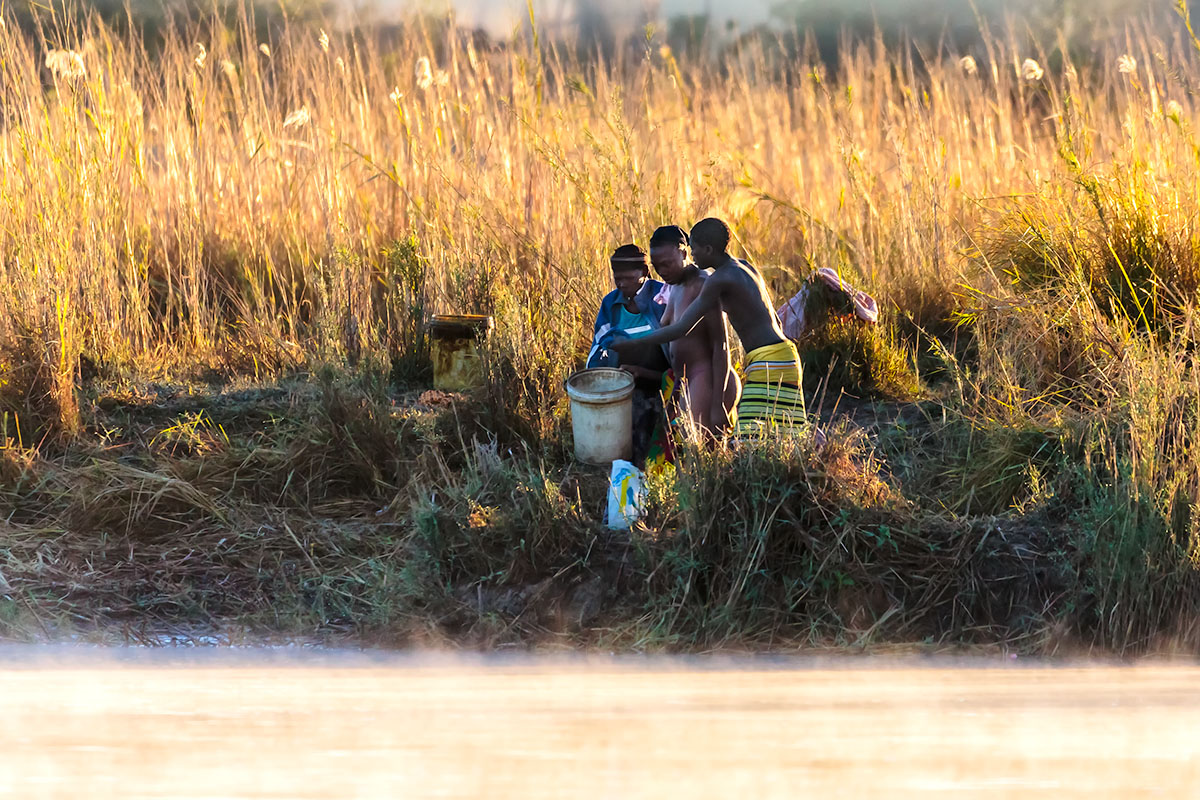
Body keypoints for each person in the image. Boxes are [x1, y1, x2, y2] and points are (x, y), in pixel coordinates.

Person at [613, 218, 806, 437]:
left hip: (767, 362)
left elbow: (683, 328)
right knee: (785, 435)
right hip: (783, 356)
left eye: (693, 250)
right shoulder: (745, 267)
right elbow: (776, 321)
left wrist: (631, 343)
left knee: (752, 439)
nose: (693, 256)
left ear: (707, 249)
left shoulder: (717, 280)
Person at [648, 224, 740, 436]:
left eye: (667, 264)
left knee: (704, 452)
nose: (662, 272)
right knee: (699, 451)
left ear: (683, 252)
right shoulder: (674, 287)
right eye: (656, 266)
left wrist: (717, 402)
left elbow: (721, 344)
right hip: (689, 380)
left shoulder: (703, 284)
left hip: (709, 378)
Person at [587, 244, 671, 466]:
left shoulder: (661, 298)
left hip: (662, 384)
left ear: (643, 273)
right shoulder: (611, 304)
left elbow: (678, 353)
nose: (621, 284)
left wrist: (644, 372)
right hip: (626, 385)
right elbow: (600, 347)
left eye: (627, 278)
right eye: (617, 279)